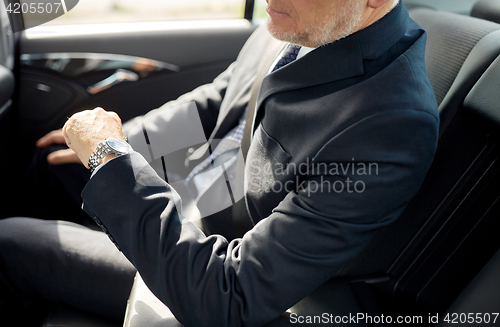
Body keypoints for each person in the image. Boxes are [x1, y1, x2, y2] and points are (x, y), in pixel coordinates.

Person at [0, 0, 440, 326]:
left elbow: (232, 294)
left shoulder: (391, 123)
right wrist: (125, 137)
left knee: (8, 241)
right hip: (200, 190)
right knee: (50, 161)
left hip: (207, 256)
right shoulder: (299, 21)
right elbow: (220, 97)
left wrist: (112, 159)